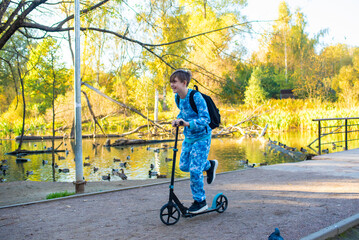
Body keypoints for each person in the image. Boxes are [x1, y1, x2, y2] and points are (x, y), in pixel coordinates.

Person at [170, 69, 218, 214]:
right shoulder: (178, 98)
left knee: (195, 170)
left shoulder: (196, 97)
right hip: (189, 138)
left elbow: (205, 119)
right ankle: (209, 166)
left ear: (184, 83)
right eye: (171, 82)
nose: (172, 85)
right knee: (184, 166)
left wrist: (188, 124)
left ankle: (200, 201)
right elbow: (184, 113)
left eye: (175, 82)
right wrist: (177, 120)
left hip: (202, 137)